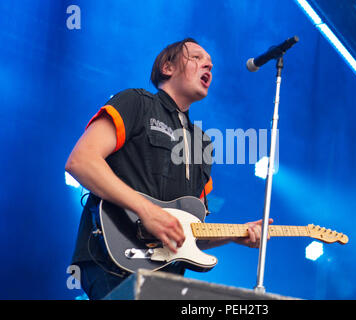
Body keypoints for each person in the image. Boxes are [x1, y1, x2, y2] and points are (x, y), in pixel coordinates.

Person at [65, 38, 272, 300]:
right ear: (167, 67)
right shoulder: (135, 102)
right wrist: (146, 210)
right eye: (196, 58)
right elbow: (81, 161)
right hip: (112, 260)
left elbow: (189, 231)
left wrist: (234, 235)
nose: (208, 64)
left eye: (210, 64)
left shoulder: (203, 143)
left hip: (166, 276)